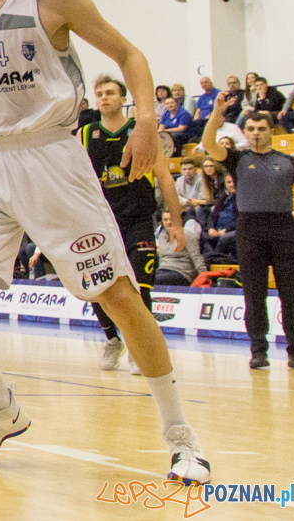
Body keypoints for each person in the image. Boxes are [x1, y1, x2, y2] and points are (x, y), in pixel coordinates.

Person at [0, 0, 209, 486]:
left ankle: (182, 437)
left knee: (119, 298)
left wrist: (148, 120)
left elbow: (131, 55)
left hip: (51, 155)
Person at [80, 75, 188, 375]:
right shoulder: (85, 134)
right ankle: (113, 339)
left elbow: (166, 179)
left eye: (110, 92)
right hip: (100, 222)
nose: (104, 97)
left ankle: (139, 350)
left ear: (123, 97)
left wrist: (176, 223)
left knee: (141, 287)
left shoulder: (141, 132)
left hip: (138, 219)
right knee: (99, 287)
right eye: (99, 93)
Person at [201, 104, 294, 370]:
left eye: (261, 129)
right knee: (254, 293)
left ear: (271, 132)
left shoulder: (288, 162)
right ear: (245, 131)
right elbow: (208, 142)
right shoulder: (238, 159)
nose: (256, 133)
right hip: (250, 228)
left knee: (291, 293)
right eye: (251, 129)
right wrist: (216, 112)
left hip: (283, 227)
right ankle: (258, 350)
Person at [154, 210, 205, 287]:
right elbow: (161, 258)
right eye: (165, 220)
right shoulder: (162, 236)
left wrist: (205, 277)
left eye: (171, 219)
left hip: (181, 273)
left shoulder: (187, 235)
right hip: (162, 271)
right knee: (143, 278)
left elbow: (197, 258)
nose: (168, 222)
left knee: (155, 280)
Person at [176, 160, 212, 231]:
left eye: (190, 169)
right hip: (186, 206)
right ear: (181, 171)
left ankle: (203, 231)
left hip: (199, 206)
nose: (187, 171)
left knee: (199, 208)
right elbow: (177, 196)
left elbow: (202, 197)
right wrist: (187, 201)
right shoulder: (179, 180)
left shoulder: (202, 179)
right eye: (184, 169)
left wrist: (189, 202)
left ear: (195, 170)